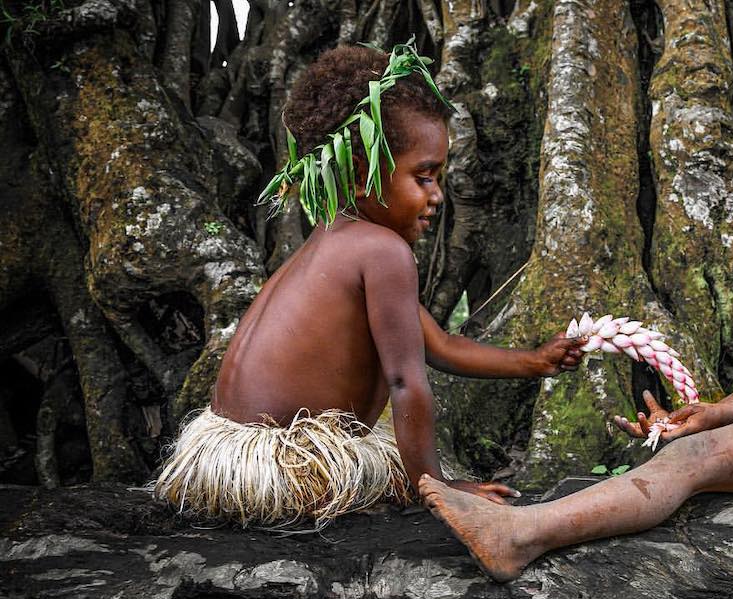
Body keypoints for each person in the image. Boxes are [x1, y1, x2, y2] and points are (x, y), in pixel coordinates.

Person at [419, 85, 733, 582]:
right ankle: (535, 524)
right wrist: (693, 419)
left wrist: (719, 419)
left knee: (697, 458)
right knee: (688, 448)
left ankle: (520, 536)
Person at [153, 44, 583, 530]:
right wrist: (436, 488)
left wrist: (536, 363)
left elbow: (437, 345)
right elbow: (405, 381)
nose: (437, 194)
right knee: (399, 468)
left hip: (224, 457)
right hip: (284, 470)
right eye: (424, 177)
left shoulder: (332, 239)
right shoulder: (382, 252)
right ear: (362, 175)